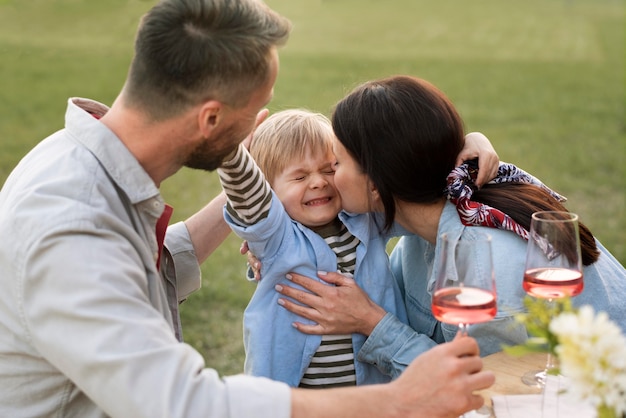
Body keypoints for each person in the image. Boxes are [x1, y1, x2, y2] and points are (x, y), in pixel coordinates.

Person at [0, 1, 495, 417]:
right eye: (253, 114)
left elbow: (152, 263)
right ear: (211, 118)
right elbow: (184, 404)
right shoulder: (72, 222)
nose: (256, 131)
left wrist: (454, 146)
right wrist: (396, 400)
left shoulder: (75, 158)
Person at [274, 75, 626, 380]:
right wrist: (274, 242)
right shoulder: (429, 216)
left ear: (377, 184)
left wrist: (371, 322)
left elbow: (480, 391)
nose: (328, 177)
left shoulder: (489, 272)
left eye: (335, 163)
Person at [221, 109, 499, 389]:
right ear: (270, 191)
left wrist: (470, 143)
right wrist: (230, 155)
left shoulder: (364, 218)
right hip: (297, 398)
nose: (318, 182)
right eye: (299, 177)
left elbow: (411, 178)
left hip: (372, 393)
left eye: (329, 169)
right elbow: (247, 194)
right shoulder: (276, 238)